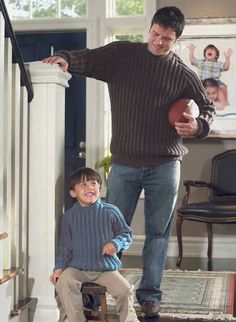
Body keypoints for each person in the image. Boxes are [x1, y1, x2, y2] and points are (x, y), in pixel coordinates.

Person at [43, 6, 215, 318]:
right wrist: (66, 58)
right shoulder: (122, 55)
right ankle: (93, 293)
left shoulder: (182, 72)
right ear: (150, 28)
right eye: (155, 34)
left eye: (167, 39)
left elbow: (207, 106)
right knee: (102, 231)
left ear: (177, 39)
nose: (159, 42)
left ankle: (150, 295)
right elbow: (90, 58)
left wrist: (198, 125)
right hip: (124, 163)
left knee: (157, 235)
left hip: (166, 165)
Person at [50, 167, 139, 322]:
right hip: (78, 268)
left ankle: (130, 320)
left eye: (93, 183)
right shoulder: (69, 217)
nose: (90, 187)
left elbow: (126, 234)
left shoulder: (111, 211)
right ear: (73, 193)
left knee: (124, 290)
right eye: (83, 184)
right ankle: (75, 319)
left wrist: (116, 243)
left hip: (105, 268)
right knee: (64, 281)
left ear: (99, 187)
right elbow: (65, 248)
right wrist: (58, 268)